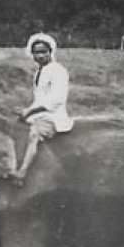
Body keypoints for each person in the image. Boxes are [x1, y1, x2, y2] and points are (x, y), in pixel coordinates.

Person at [14, 32, 74, 179]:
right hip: (40, 112)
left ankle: (22, 172)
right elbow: (40, 98)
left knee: (35, 133)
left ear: (50, 52)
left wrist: (30, 111)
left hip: (53, 114)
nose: (40, 56)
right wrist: (27, 111)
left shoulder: (58, 70)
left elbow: (56, 98)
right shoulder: (40, 72)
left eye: (43, 52)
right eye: (36, 53)